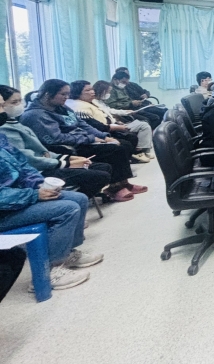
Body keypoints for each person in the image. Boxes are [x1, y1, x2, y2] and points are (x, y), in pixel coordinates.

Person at [0, 127, 103, 290]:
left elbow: (23, 166)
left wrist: (39, 184)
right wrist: (33, 195)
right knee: (67, 209)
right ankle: (47, 272)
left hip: (19, 198)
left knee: (80, 199)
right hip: (4, 212)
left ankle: (66, 253)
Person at [20, 80, 147, 202]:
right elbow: (56, 138)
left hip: (81, 140)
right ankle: (115, 188)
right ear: (47, 94)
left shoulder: (61, 107)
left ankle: (123, 183)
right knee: (114, 149)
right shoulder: (36, 115)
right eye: (63, 94)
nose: (66, 97)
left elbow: (82, 124)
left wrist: (103, 136)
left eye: (68, 94)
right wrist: (91, 138)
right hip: (67, 148)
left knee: (123, 144)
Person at [0, 86, 113, 201]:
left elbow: (41, 151)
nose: (20, 105)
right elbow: (28, 159)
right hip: (40, 170)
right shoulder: (7, 128)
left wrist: (69, 158)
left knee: (104, 167)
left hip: (48, 161)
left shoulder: (14, 122)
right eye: (14, 102)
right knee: (100, 175)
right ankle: (70, 200)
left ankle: (78, 198)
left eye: (20, 101)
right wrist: (65, 163)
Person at [67, 81, 153, 162]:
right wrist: (110, 130)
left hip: (108, 127)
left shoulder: (93, 102)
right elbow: (91, 126)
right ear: (77, 93)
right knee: (125, 143)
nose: (92, 92)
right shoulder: (79, 107)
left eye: (92, 89)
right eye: (88, 90)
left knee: (133, 135)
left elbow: (107, 112)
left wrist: (117, 122)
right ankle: (134, 155)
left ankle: (135, 155)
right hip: (99, 132)